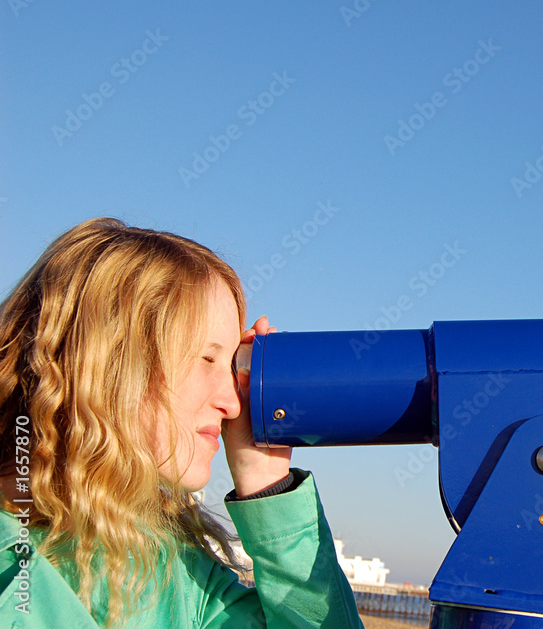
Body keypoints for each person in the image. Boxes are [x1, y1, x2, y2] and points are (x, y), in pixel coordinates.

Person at [0, 218, 364, 628]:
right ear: (108, 362)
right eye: (208, 359)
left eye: (233, 368)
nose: (231, 404)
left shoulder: (169, 572)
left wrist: (267, 482)